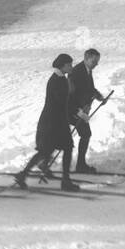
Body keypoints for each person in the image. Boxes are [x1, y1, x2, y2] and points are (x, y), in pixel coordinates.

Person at [14, 54, 85, 192]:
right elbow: (61, 102)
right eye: (69, 64)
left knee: (64, 148)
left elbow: (65, 102)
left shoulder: (61, 79)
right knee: (45, 151)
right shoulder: (55, 81)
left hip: (57, 121)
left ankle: (64, 180)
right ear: (63, 65)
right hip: (51, 123)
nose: (71, 67)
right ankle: (24, 175)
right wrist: (78, 112)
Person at [68, 48, 106, 174]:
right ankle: (80, 165)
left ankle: (80, 164)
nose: (96, 64)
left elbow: (89, 88)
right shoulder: (77, 72)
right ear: (86, 58)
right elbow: (71, 94)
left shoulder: (87, 70)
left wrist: (99, 96)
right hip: (72, 109)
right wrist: (79, 110)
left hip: (80, 110)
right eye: (94, 61)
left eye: (97, 61)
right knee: (83, 134)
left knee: (84, 134)